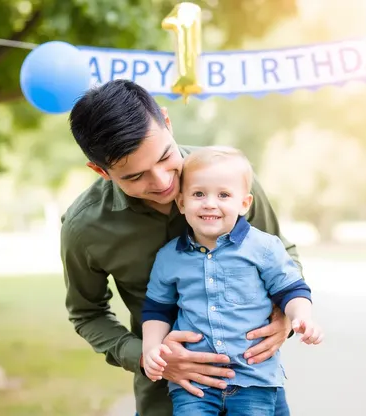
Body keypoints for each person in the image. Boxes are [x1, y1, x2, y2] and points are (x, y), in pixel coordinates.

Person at [61, 79, 303, 416]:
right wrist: (150, 356)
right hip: (166, 398)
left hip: (253, 387)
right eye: (134, 177)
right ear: (100, 171)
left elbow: (281, 253)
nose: (161, 182)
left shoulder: (228, 179)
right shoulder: (84, 228)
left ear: (167, 121)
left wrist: (284, 319)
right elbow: (87, 313)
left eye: (164, 157)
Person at [141, 147, 323, 415]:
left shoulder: (263, 247)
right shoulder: (169, 257)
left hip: (254, 379)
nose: (210, 203)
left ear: (244, 204)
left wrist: (301, 316)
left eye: (224, 195)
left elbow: (291, 289)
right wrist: (151, 348)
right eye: (198, 194)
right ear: (181, 203)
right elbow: (157, 309)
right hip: (195, 385)